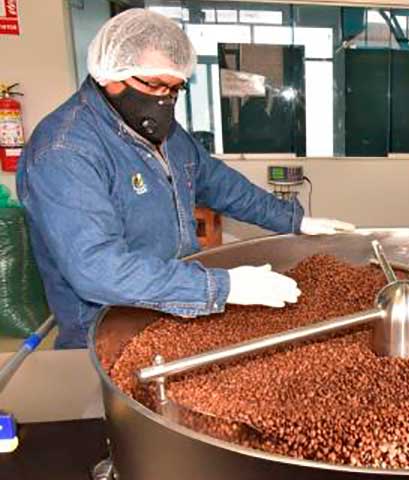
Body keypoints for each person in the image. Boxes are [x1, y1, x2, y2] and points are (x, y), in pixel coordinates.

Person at [16, 9, 354, 349]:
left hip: (177, 309)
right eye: (154, 85)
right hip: (107, 333)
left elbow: (218, 183)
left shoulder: (161, 131)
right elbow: (98, 269)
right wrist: (221, 287)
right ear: (110, 74)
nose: (164, 99)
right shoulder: (64, 151)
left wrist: (294, 219)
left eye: (175, 88)